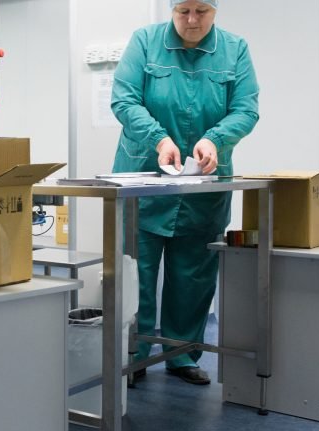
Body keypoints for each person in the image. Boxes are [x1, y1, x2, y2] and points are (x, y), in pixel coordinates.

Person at [111, 0, 259, 385]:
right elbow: (124, 100)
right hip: (143, 181)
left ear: (215, 10)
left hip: (204, 187)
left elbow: (246, 109)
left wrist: (216, 139)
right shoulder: (144, 42)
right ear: (172, 9)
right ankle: (133, 355)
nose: (191, 21)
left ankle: (182, 355)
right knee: (136, 273)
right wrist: (158, 139)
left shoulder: (235, 49)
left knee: (193, 276)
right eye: (183, 11)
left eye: (201, 11)